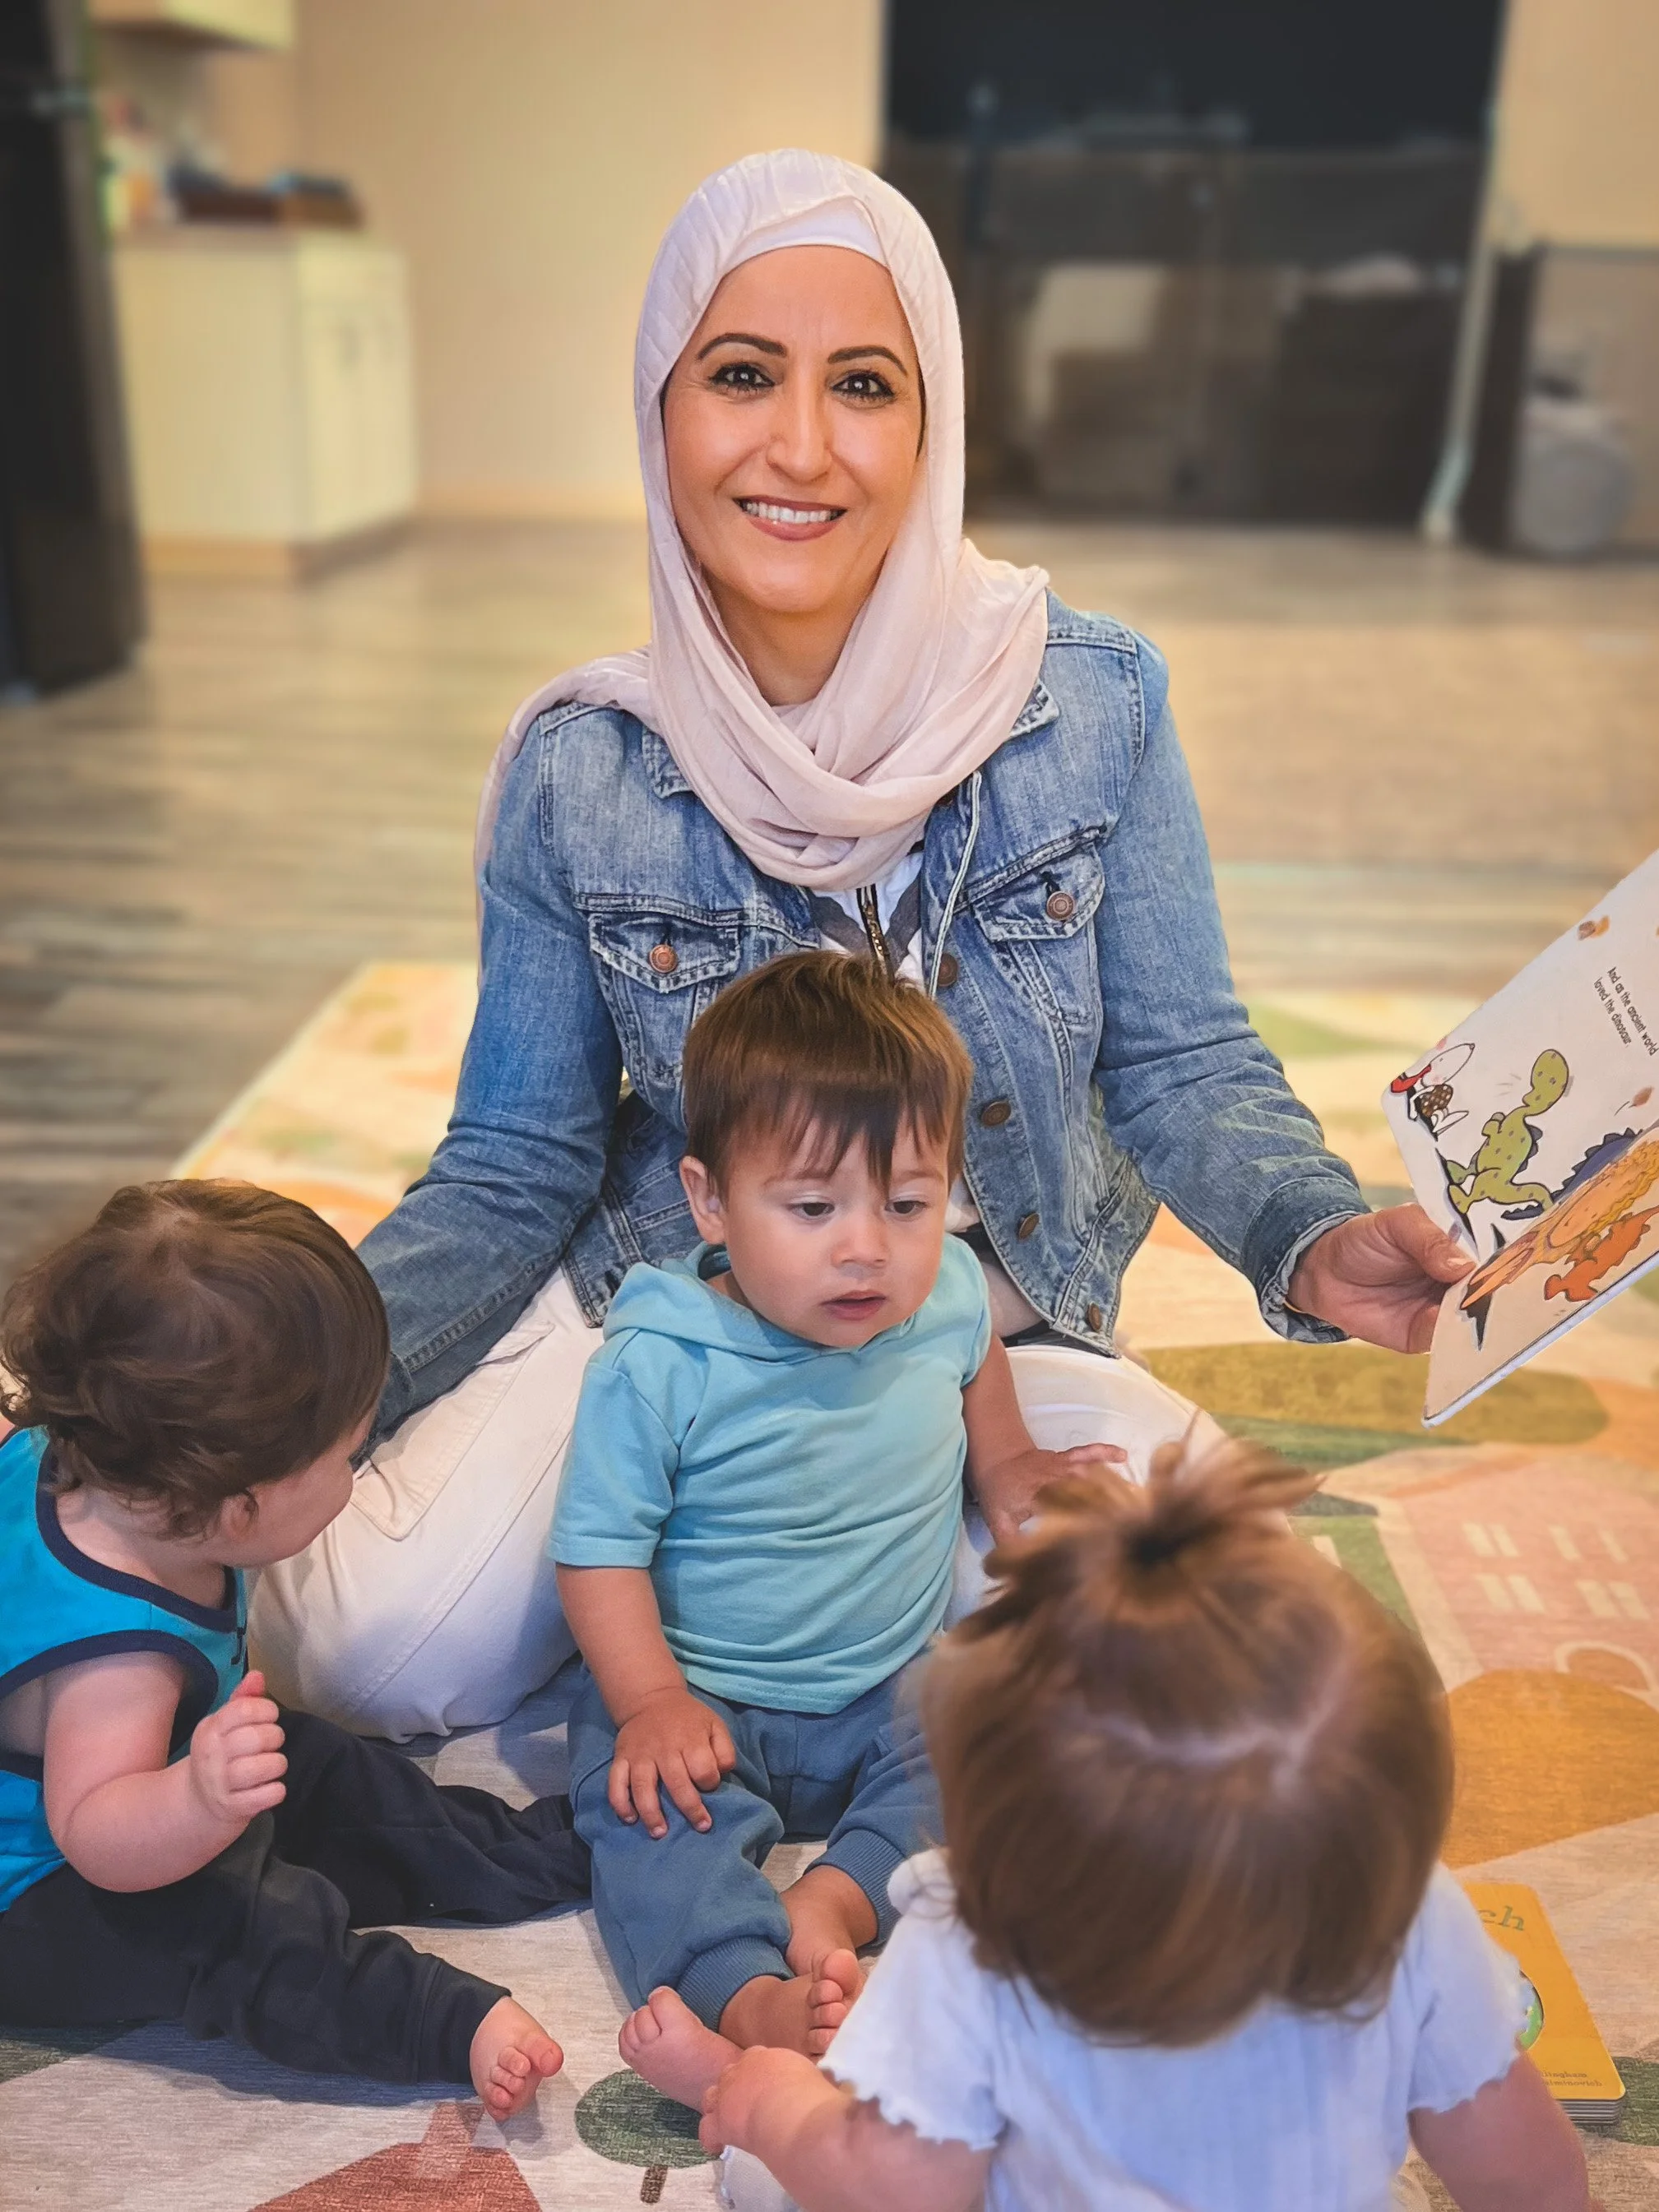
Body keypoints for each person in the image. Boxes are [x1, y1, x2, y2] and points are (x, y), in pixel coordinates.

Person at [251, 147, 1472, 1742]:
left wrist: (1310, 1237)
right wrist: (292, 1389)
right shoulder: (584, 767)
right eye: (740, 375)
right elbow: (513, 1163)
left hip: (982, 1345)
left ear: (932, 420)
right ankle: (678, 1549)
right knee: (363, 1657)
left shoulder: (1087, 702)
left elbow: (1181, 1057)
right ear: (661, 410)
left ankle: (705, 1577)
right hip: (676, 1317)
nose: (801, 446)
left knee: (1231, 1672)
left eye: (865, 385)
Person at [619, 1442, 1594, 2212]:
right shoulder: (1415, 1914)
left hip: (920, 2146)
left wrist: (776, 2109)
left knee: (791, 2164)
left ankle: (739, 2075)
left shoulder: (973, 1946)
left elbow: (895, 2188)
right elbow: (1523, 2174)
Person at [554, 951, 1119, 2060]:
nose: (866, 1247)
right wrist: (650, 1699)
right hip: (700, 1689)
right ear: (710, 1200)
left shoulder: (944, 1291)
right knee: (645, 1815)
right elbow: (596, 1552)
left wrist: (1008, 1462)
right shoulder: (662, 1357)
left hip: (887, 1681)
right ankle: (741, 1989)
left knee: (1014, 1738)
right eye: (812, 1207)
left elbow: (975, 1363)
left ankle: (843, 1897)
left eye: (907, 1202)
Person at [0, 1181, 587, 2117]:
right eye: (346, 1456)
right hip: (48, 1890)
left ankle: (541, 1849)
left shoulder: (85, 1449)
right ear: (239, 1506)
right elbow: (98, 1835)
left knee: (320, 1766)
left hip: (163, 1772)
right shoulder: (120, 1661)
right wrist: (197, 1800)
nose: (356, 1470)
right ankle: (433, 2018)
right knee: (235, 1926)